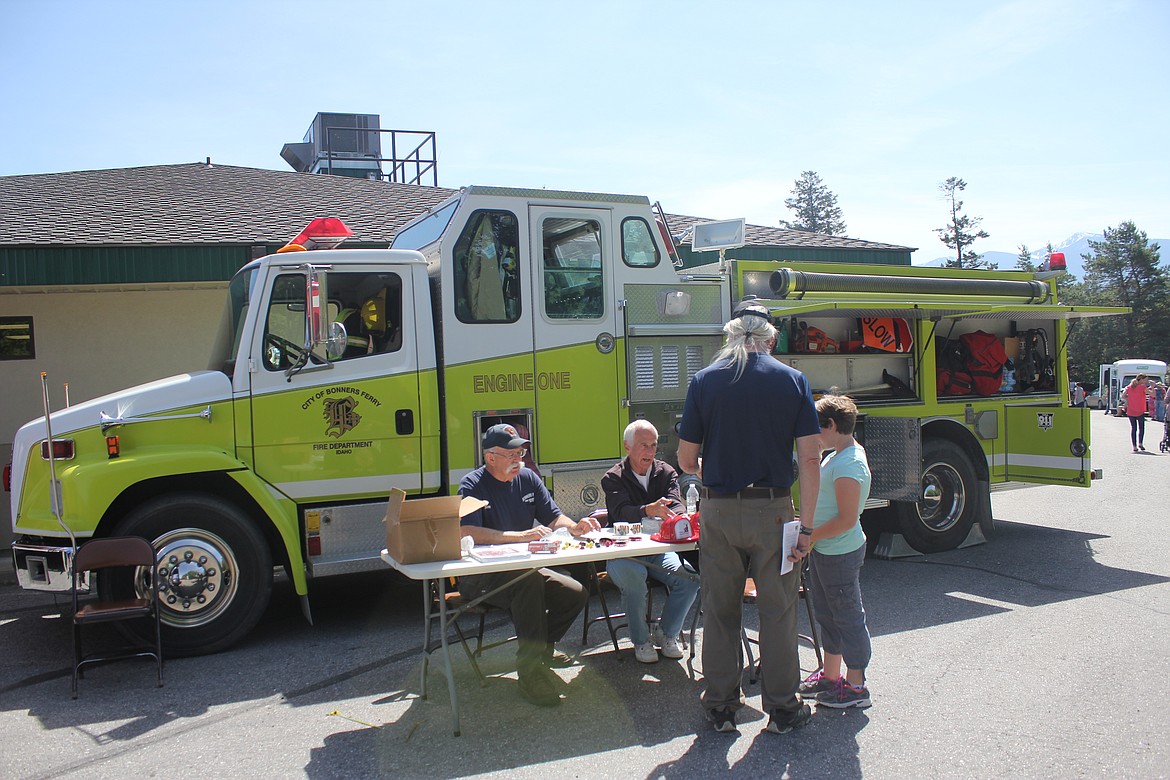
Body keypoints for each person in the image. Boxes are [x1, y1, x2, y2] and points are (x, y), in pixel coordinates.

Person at [677, 299, 822, 735]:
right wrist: (809, 528)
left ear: (731, 333)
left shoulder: (705, 381)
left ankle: (721, 707)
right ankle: (782, 709)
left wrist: (718, 477)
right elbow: (811, 458)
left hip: (718, 509)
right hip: (774, 510)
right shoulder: (792, 380)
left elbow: (686, 459)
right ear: (771, 337)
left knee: (720, 610)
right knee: (778, 611)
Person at [458, 424, 599, 707]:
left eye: (520, 452)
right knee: (529, 583)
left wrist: (576, 527)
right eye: (510, 454)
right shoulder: (472, 484)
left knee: (576, 592)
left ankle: (542, 647)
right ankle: (529, 672)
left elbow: (554, 517)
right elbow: (467, 532)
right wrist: (519, 536)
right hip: (481, 575)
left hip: (522, 569)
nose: (518, 459)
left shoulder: (528, 478)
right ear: (490, 458)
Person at [601, 420, 700, 664]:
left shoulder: (666, 471)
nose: (650, 451)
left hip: (657, 549)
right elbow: (621, 511)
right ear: (627, 447)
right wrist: (649, 510)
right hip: (623, 552)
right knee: (635, 581)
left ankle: (666, 633)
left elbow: (676, 503)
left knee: (690, 580)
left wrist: (675, 513)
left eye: (654, 445)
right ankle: (641, 641)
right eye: (643, 445)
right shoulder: (613, 477)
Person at [796, 395, 873, 709]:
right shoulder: (835, 455)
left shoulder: (849, 463)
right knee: (828, 614)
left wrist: (809, 536)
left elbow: (846, 518)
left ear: (831, 425)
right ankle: (831, 676)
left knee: (848, 617)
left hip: (839, 552)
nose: (813, 434)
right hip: (827, 550)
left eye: (817, 428)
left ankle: (856, 686)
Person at [1124, 374, 1149, 452]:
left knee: (1133, 428)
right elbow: (1153, 394)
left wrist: (1129, 398)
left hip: (1131, 410)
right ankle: (1140, 443)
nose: (1146, 381)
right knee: (1141, 428)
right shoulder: (1142, 387)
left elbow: (1123, 396)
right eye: (1146, 380)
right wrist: (1153, 386)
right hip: (1140, 410)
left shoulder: (1130, 387)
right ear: (1141, 379)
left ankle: (1134, 446)